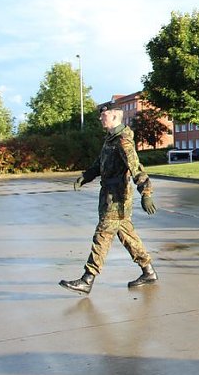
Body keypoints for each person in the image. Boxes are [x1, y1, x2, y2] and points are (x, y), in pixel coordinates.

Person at [59, 104, 159, 294]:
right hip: (109, 195)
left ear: (114, 116)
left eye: (103, 115)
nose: (100, 119)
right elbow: (100, 163)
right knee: (127, 235)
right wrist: (87, 175)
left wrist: (146, 193)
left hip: (117, 197)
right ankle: (148, 271)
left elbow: (136, 168)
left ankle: (87, 279)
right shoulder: (110, 139)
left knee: (102, 235)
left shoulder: (123, 141)